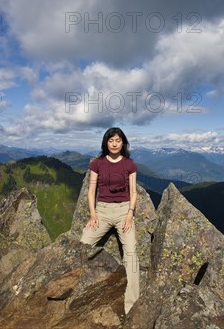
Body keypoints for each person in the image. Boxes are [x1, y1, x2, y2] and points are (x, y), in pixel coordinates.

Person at [80, 127, 139, 315]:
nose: (114, 144)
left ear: (123, 143)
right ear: (106, 143)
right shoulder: (97, 164)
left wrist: (130, 214)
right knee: (82, 245)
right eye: (111, 140)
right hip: (102, 211)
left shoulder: (130, 165)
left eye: (118, 141)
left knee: (131, 254)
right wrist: (93, 214)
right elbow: (91, 191)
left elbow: (133, 192)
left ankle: (131, 306)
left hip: (124, 211)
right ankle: (75, 290)